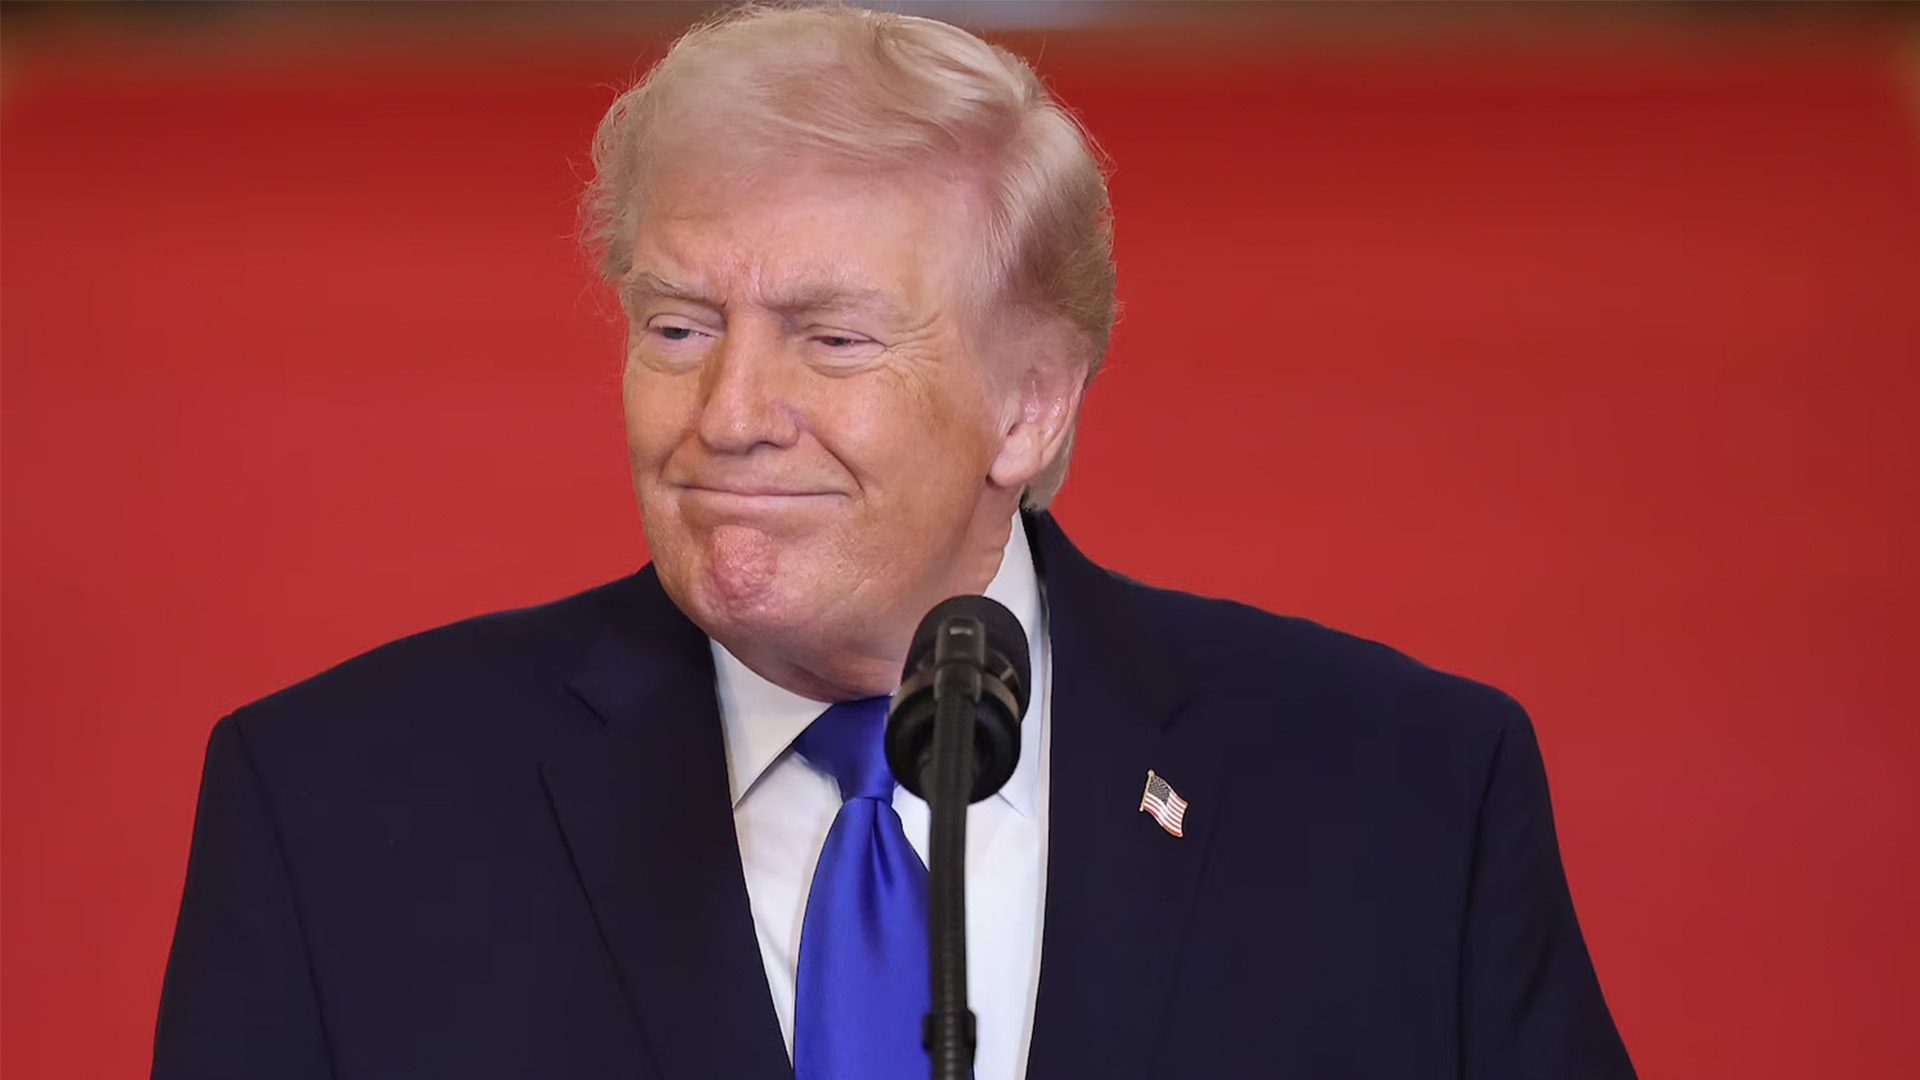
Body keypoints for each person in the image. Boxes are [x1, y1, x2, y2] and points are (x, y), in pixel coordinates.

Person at [152, 6, 1635, 1079]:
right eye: (677, 329)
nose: (728, 413)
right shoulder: (336, 812)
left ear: (1029, 405)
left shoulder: (1408, 798)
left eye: (832, 338)